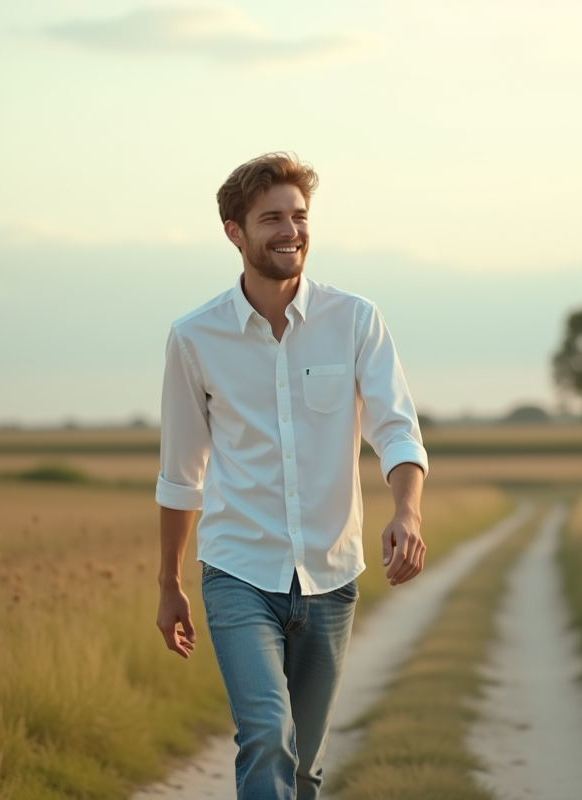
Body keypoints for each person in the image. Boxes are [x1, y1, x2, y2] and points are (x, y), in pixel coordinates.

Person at [154, 152, 429, 800]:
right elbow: (180, 473)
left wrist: (408, 510)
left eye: (299, 216)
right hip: (237, 572)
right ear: (234, 232)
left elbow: (395, 428)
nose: (290, 231)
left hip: (330, 575)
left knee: (304, 766)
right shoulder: (194, 338)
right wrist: (169, 583)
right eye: (271, 217)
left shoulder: (355, 320)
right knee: (267, 738)